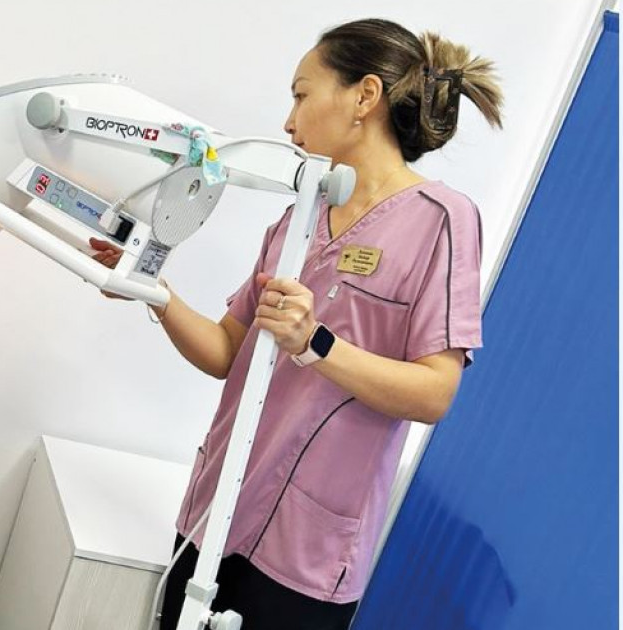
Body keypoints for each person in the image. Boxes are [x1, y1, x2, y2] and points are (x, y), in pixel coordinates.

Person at [90, 18, 502, 630]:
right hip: (217, 512)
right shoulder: (297, 219)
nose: (288, 121)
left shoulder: (442, 220)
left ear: (364, 96)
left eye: (302, 95)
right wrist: (152, 291)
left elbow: (435, 392)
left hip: (308, 551)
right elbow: (227, 352)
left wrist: (316, 343)